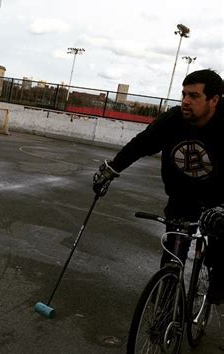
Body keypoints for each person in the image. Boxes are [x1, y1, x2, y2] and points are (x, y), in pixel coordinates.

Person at [93, 69, 224, 304]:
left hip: (218, 199)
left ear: (214, 100)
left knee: (219, 248)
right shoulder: (173, 120)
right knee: (173, 250)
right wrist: (112, 170)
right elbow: (140, 145)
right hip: (182, 196)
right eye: (183, 94)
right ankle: (165, 302)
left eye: (194, 96)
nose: (185, 101)